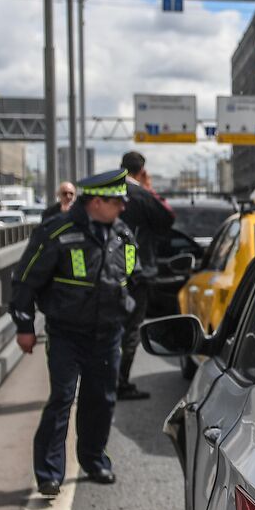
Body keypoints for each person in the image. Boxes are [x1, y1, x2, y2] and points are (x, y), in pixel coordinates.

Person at [11, 168, 140, 496]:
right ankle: (49, 473)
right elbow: (26, 279)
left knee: (102, 400)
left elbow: (131, 276)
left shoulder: (123, 235)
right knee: (61, 400)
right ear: (96, 201)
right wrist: (24, 326)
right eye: (116, 202)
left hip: (108, 334)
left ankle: (94, 459)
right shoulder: (56, 231)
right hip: (67, 333)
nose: (122, 208)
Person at [115, 150, 175, 400]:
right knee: (131, 329)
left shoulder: (109, 192)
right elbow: (167, 218)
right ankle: (121, 383)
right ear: (142, 172)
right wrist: (148, 188)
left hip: (109, 270)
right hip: (137, 272)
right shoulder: (141, 195)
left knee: (111, 326)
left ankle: (106, 379)